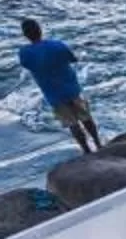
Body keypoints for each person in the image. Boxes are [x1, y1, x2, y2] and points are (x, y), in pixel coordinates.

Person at [15, 17, 100, 153]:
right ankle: (98, 143)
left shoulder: (24, 53)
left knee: (72, 124)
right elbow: (73, 59)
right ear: (40, 30)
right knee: (86, 117)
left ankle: (86, 150)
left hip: (53, 94)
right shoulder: (57, 45)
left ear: (25, 35)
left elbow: (26, 65)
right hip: (72, 88)